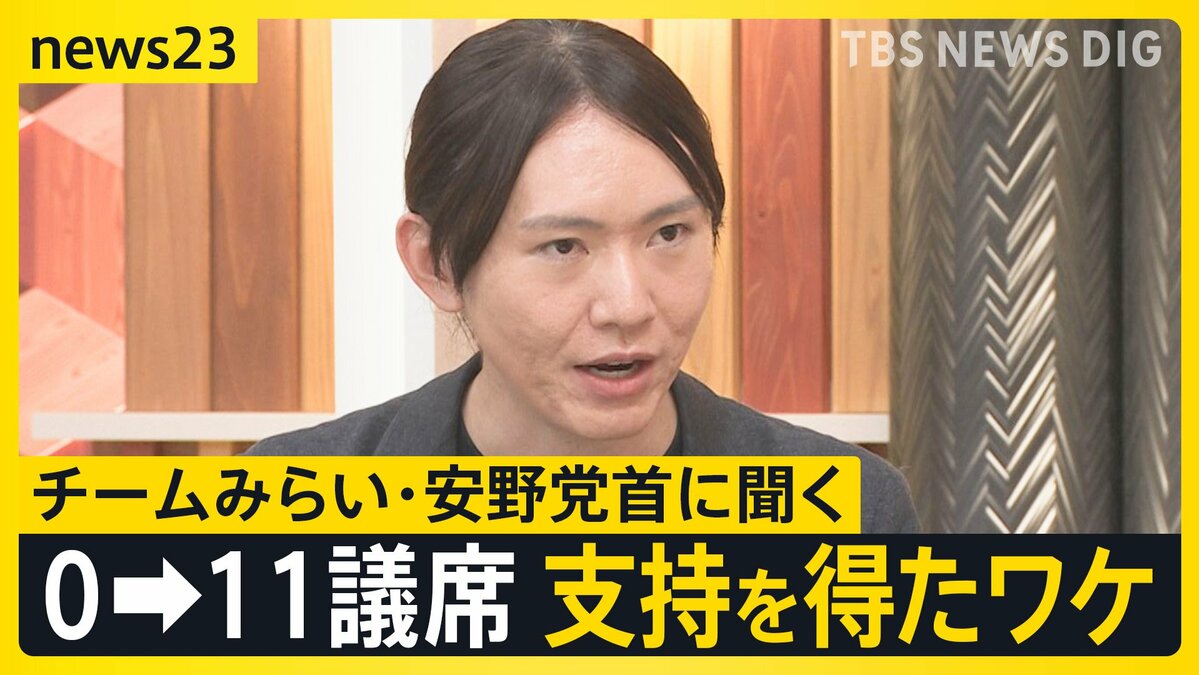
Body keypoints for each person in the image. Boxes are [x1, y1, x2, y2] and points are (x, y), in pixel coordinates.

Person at [247, 19, 920, 534]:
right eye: (564, 246)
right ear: (436, 262)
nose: (628, 306)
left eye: (668, 234)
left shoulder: (851, 510)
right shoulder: (290, 507)